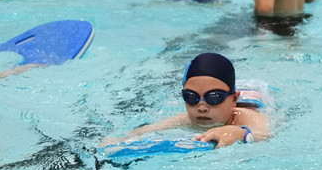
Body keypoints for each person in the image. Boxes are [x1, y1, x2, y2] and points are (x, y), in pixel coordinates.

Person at [101, 52, 270, 148]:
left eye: (214, 97)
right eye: (191, 97)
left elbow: (264, 133)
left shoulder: (248, 117)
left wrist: (239, 132)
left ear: (233, 99)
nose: (201, 107)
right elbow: (152, 129)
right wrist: (120, 140)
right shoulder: (185, 120)